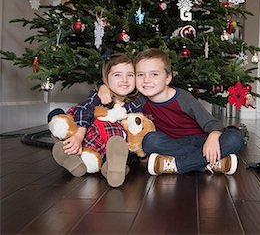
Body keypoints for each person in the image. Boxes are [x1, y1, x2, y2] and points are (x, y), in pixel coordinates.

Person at [98, 48, 244, 175]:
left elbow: (211, 123)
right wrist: (104, 87)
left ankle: (177, 165)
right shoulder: (140, 100)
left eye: (154, 74)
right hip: (172, 145)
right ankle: (209, 162)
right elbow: (118, 102)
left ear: (168, 78)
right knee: (149, 141)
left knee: (235, 138)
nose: (146, 80)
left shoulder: (183, 98)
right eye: (140, 75)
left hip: (201, 141)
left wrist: (213, 137)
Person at [50, 53, 144, 187]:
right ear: (106, 78)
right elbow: (83, 108)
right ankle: (73, 161)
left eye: (130, 75)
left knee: (118, 148)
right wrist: (79, 135)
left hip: (112, 149)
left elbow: (138, 128)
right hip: (87, 142)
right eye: (117, 75)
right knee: (57, 118)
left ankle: (113, 169)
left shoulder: (135, 104)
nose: (125, 80)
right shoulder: (99, 96)